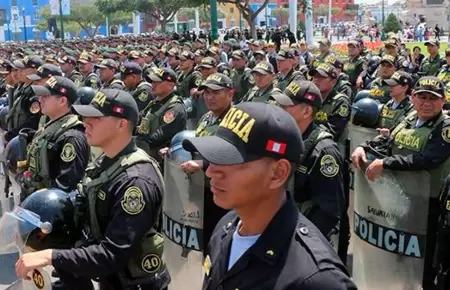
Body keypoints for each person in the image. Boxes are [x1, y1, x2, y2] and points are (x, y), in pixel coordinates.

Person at [182, 102, 356, 289]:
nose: (211, 172)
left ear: (278, 173)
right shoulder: (225, 228)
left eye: (230, 161)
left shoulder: (317, 279)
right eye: (214, 158)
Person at [15, 88, 170, 290]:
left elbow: (112, 254)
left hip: (134, 285)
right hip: (112, 280)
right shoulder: (107, 162)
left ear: (121, 124)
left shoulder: (136, 182)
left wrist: (50, 256)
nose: (85, 122)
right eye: (85, 115)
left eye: (96, 117)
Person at [351, 76, 450, 289]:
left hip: (429, 206)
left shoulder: (445, 127)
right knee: (401, 256)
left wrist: (386, 163)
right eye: (421, 97)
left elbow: (428, 159)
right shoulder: (409, 117)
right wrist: (365, 147)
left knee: (423, 261)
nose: (426, 102)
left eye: (433, 98)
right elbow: (389, 140)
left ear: (443, 101)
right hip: (401, 199)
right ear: (412, 98)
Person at [270, 80, 346, 248]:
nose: (279, 109)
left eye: (286, 106)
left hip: (302, 241)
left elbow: (329, 212)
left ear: (306, 111)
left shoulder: (324, 151)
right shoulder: (283, 138)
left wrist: (299, 241)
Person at [18, 76, 90, 198]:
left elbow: (64, 188)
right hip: (34, 201)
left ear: (62, 101)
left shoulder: (73, 137)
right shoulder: (52, 126)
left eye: (46, 96)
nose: (40, 100)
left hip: (47, 208)